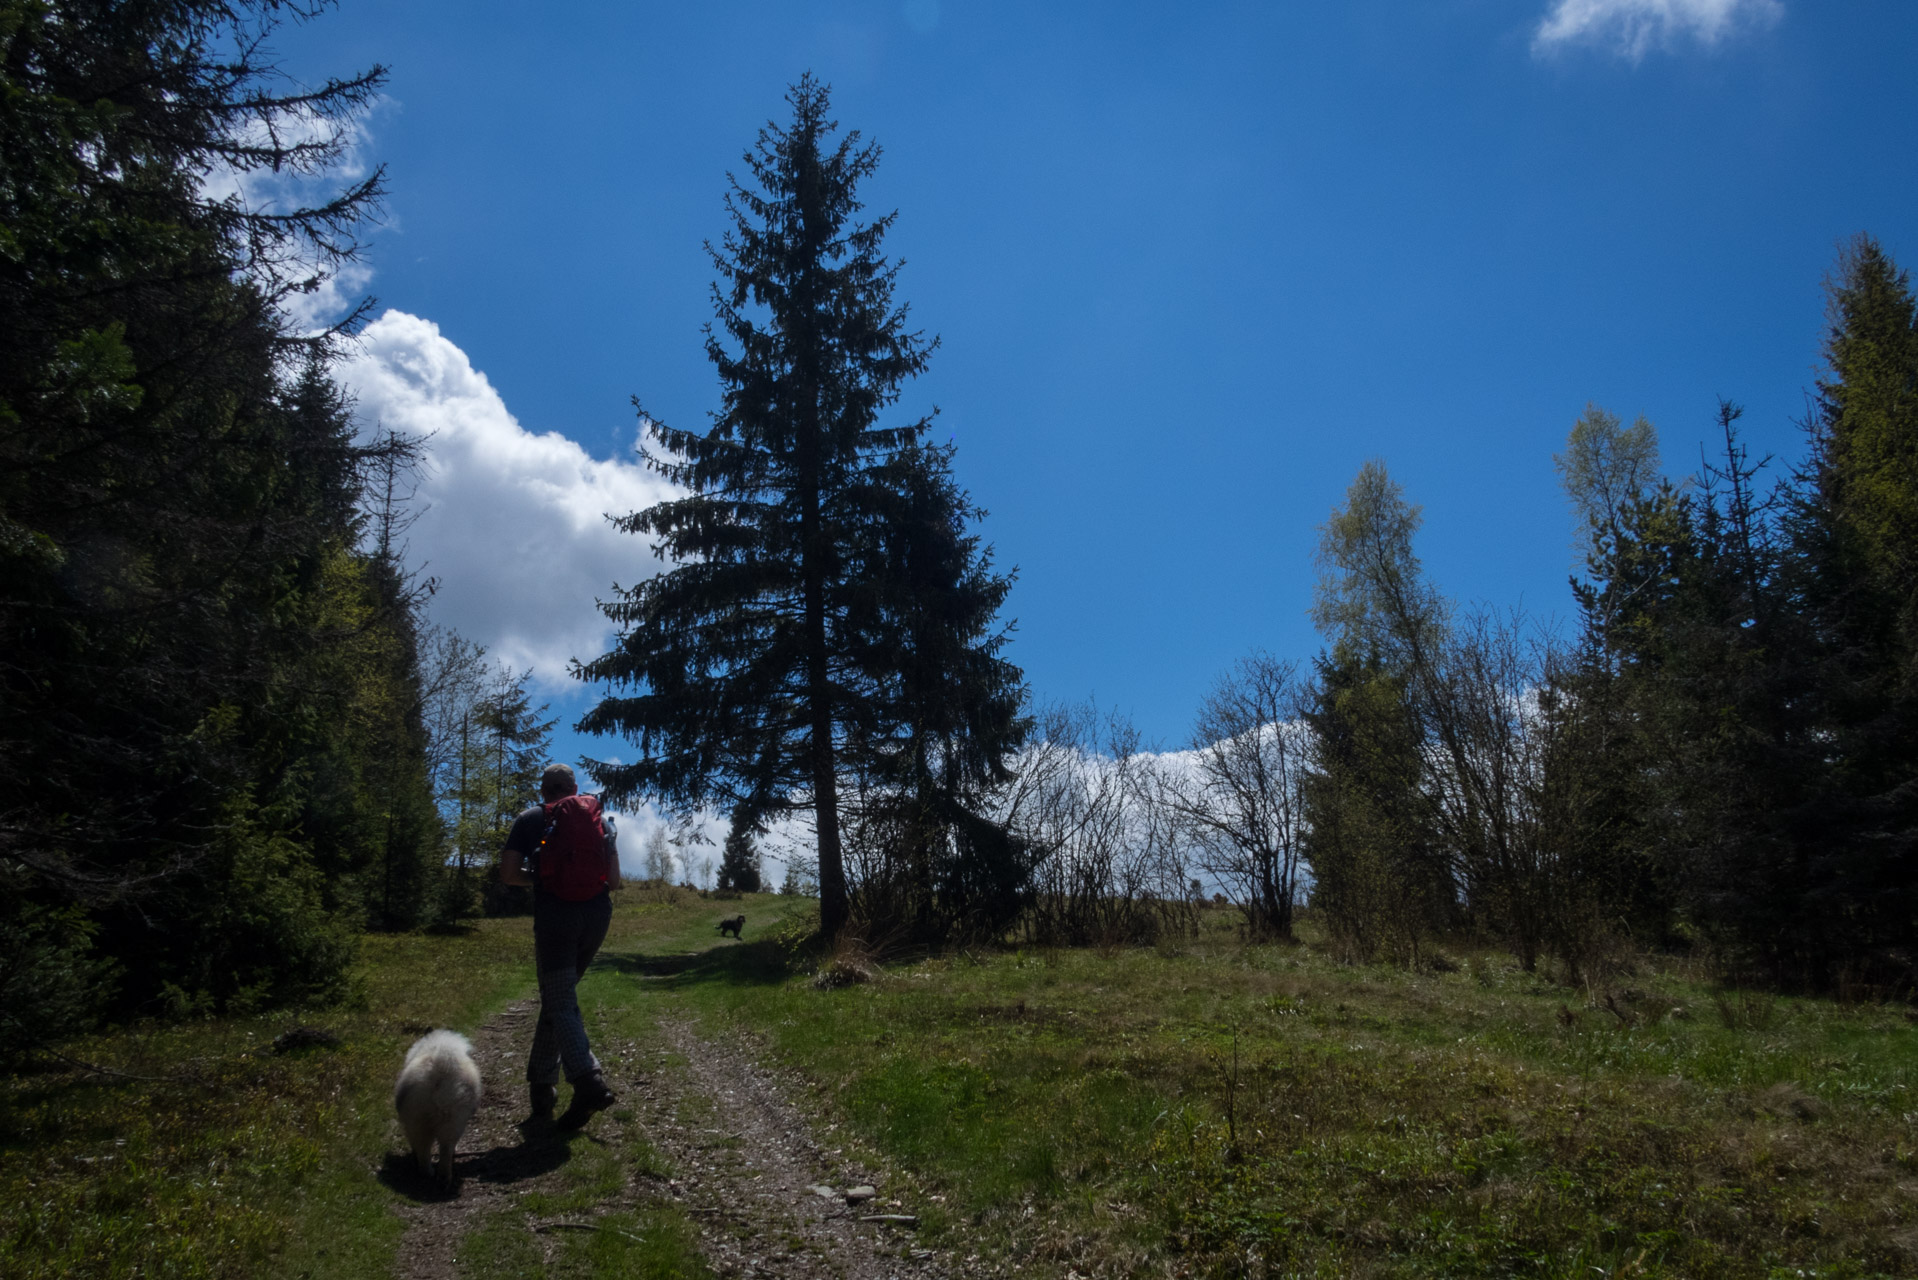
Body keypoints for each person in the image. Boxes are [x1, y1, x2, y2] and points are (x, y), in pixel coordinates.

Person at [499, 763, 622, 1129]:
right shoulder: (601, 821)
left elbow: (507, 873)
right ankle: (541, 1086)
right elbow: (613, 881)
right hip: (597, 916)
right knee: (559, 998)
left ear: (544, 790)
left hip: (556, 918)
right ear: (574, 787)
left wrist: (540, 877)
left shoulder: (529, 819)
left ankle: (588, 1081)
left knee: (560, 1000)